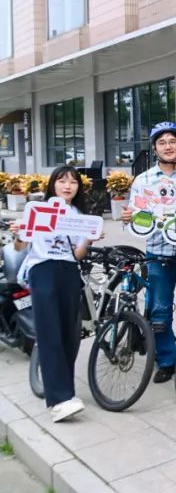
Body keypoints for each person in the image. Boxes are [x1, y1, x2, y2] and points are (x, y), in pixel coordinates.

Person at [121, 122, 176, 385]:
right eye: (162, 142)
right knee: (159, 310)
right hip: (157, 254)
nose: (168, 146)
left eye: (172, 141)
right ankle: (166, 361)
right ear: (155, 148)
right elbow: (136, 217)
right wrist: (129, 217)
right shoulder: (143, 180)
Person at [15, 167, 94, 422]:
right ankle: (58, 401)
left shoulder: (79, 216)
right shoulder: (37, 209)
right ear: (53, 184)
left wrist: (88, 239)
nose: (67, 186)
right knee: (50, 333)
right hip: (43, 269)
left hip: (69, 271)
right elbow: (20, 246)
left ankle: (66, 393)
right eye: (62, 181)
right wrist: (20, 232)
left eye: (73, 182)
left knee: (69, 334)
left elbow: (77, 254)